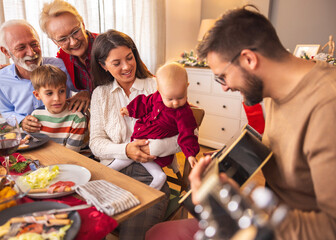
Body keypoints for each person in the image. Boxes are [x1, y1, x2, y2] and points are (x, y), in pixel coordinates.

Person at [146, 5, 336, 240]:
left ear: (249, 59)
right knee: (157, 233)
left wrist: (240, 205)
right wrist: (227, 161)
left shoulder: (328, 108)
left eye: (222, 77)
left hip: (280, 228)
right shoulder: (278, 89)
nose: (224, 87)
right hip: (267, 216)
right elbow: (286, 155)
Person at [89, 29, 181, 240]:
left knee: (132, 234)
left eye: (129, 57)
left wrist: (152, 149)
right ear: (104, 66)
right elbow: (95, 143)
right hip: (110, 173)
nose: (127, 66)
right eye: (117, 62)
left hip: (149, 174)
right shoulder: (100, 94)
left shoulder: (157, 85)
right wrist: (126, 150)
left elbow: (185, 135)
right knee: (85, 224)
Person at [109, 62, 199, 190]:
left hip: (157, 145)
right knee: (129, 154)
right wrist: (130, 110)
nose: (175, 103)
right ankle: (110, 169)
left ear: (187, 86)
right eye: (169, 99)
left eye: (180, 97)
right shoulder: (156, 97)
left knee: (147, 157)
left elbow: (187, 133)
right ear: (159, 90)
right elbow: (144, 103)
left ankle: (158, 177)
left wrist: (190, 154)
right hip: (141, 135)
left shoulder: (183, 113)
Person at [0, 19, 75, 132]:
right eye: (21, 48)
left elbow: (83, 89)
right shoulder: (1, 78)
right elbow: (6, 110)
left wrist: (84, 94)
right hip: (27, 139)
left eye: (34, 44)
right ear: (6, 52)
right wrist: (21, 120)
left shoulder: (61, 66)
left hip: (63, 134)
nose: (32, 53)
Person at [39, 0, 97, 113]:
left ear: (83, 24)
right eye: (63, 39)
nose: (73, 42)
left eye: (75, 31)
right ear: (55, 42)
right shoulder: (62, 57)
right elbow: (43, 66)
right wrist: (13, 67)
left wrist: (89, 93)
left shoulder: (107, 46)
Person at [30, 64, 86, 152]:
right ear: (37, 95)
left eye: (61, 91)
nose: (57, 98)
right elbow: (35, 146)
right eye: (49, 93)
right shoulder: (36, 115)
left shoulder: (77, 118)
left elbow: (72, 153)